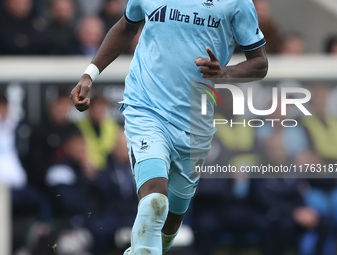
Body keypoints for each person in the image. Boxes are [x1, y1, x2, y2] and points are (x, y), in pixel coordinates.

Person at [70, 0, 268, 253]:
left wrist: (224, 74)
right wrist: (89, 74)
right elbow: (126, 27)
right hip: (146, 108)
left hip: (194, 122)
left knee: (170, 223)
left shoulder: (237, 3)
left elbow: (260, 63)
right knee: (155, 201)